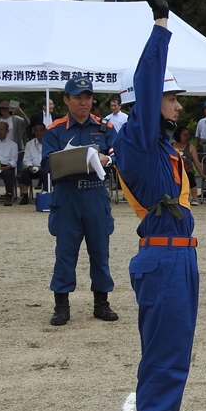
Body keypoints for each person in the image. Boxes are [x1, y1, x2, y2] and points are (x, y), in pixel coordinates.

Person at [112, 0, 205, 411]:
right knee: (165, 353)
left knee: (175, 348)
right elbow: (148, 82)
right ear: (148, 103)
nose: (177, 105)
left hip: (178, 256)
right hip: (163, 257)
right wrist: (161, 26)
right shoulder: (138, 140)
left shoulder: (161, 147)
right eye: (171, 98)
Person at [43, 75, 118, 326]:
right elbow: (46, 164)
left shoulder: (105, 127)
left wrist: (109, 160)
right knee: (65, 251)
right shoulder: (54, 130)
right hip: (68, 195)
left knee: (100, 250)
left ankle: (102, 303)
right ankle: (61, 305)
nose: (83, 103)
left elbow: (118, 153)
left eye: (87, 97)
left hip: (96, 193)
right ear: (66, 100)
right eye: (77, 98)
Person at [171, 127, 202, 205]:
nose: (186, 137)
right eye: (184, 135)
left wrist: (202, 173)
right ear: (178, 135)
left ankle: (195, 198)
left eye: (188, 135)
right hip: (174, 169)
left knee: (190, 176)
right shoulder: (171, 145)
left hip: (187, 170)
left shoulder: (191, 147)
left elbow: (196, 161)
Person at [18, 119, 46, 204]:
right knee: (25, 172)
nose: (38, 133)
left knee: (44, 173)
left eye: (41, 130)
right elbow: (26, 158)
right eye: (36, 130)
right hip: (33, 168)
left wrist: (42, 166)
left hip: (44, 167)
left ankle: (45, 194)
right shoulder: (30, 144)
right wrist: (30, 166)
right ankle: (25, 196)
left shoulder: (49, 143)